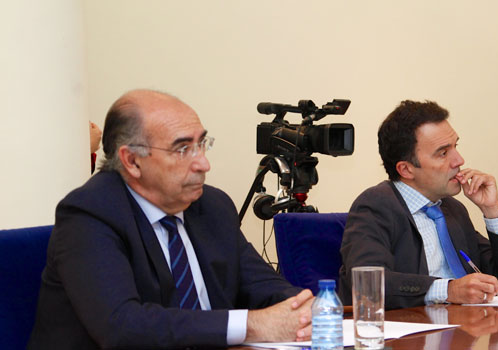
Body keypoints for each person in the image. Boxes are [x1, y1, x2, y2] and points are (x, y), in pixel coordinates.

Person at [29, 90, 314, 349]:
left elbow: (263, 286)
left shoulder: (211, 206)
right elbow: (122, 326)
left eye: (202, 145)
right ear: (132, 161)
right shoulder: (90, 214)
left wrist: (302, 310)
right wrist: (252, 326)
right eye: (182, 149)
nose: (204, 163)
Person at [339, 100, 498, 310]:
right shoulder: (375, 206)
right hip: (412, 336)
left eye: (456, 146)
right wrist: (447, 290)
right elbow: (367, 284)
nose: (459, 160)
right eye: (443, 153)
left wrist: (492, 211)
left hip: (467, 328)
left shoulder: (452, 209)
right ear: (406, 169)